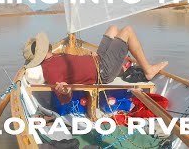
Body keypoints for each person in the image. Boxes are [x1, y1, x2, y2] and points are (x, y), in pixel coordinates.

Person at [23, 26, 168, 104]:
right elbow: (63, 99)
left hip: (97, 59)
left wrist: (88, 56)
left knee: (112, 29)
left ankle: (120, 64)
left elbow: (74, 64)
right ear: (43, 51)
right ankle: (149, 70)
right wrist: (66, 92)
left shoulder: (53, 57)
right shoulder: (50, 70)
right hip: (103, 71)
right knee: (127, 31)